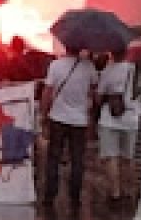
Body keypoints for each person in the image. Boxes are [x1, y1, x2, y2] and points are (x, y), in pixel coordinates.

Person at [41, 47, 98, 210]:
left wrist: (44, 115)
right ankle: (75, 195)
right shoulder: (89, 67)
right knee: (77, 159)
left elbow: (47, 92)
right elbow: (94, 91)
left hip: (58, 117)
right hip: (79, 120)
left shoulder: (55, 65)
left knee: (54, 157)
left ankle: (50, 195)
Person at [97, 50, 138, 204]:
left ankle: (115, 192)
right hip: (132, 118)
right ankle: (129, 191)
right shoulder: (135, 70)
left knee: (111, 157)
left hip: (109, 118)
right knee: (129, 157)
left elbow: (99, 96)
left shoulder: (108, 71)